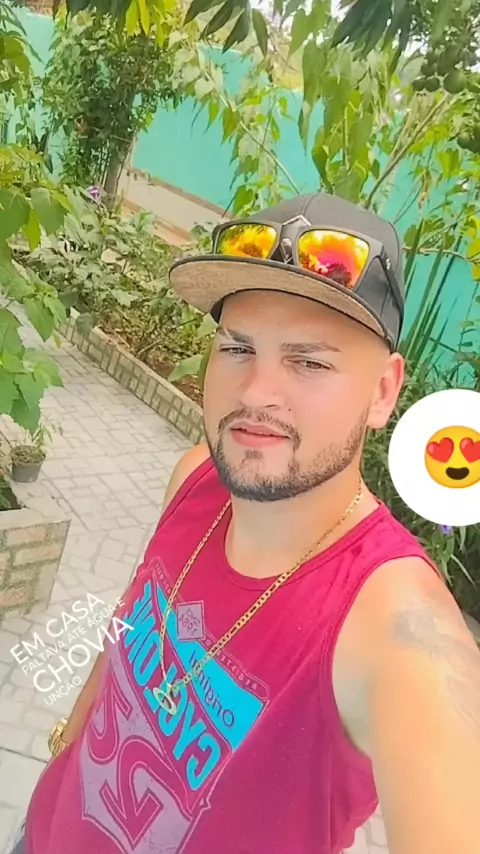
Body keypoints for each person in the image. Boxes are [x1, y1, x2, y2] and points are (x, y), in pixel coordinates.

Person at [17, 193, 480, 854]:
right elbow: (129, 629)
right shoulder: (196, 479)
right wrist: (68, 740)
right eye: (237, 347)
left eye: (309, 361)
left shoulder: (394, 630)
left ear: (383, 391)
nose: (256, 391)